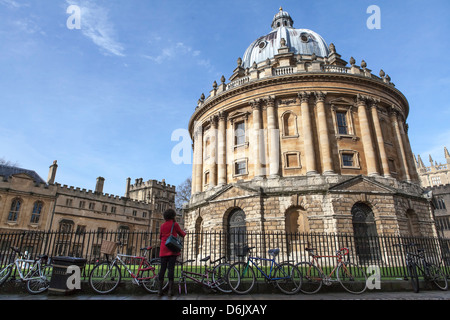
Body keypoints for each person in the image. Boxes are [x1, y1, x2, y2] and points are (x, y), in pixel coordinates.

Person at [158, 208, 186, 296]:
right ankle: (170, 291)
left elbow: (160, 236)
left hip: (163, 249)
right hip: (172, 250)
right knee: (171, 270)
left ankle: (159, 291)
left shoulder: (162, 225)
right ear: (173, 216)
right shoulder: (175, 224)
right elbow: (182, 234)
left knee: (162, 269)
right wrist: (184, 232)